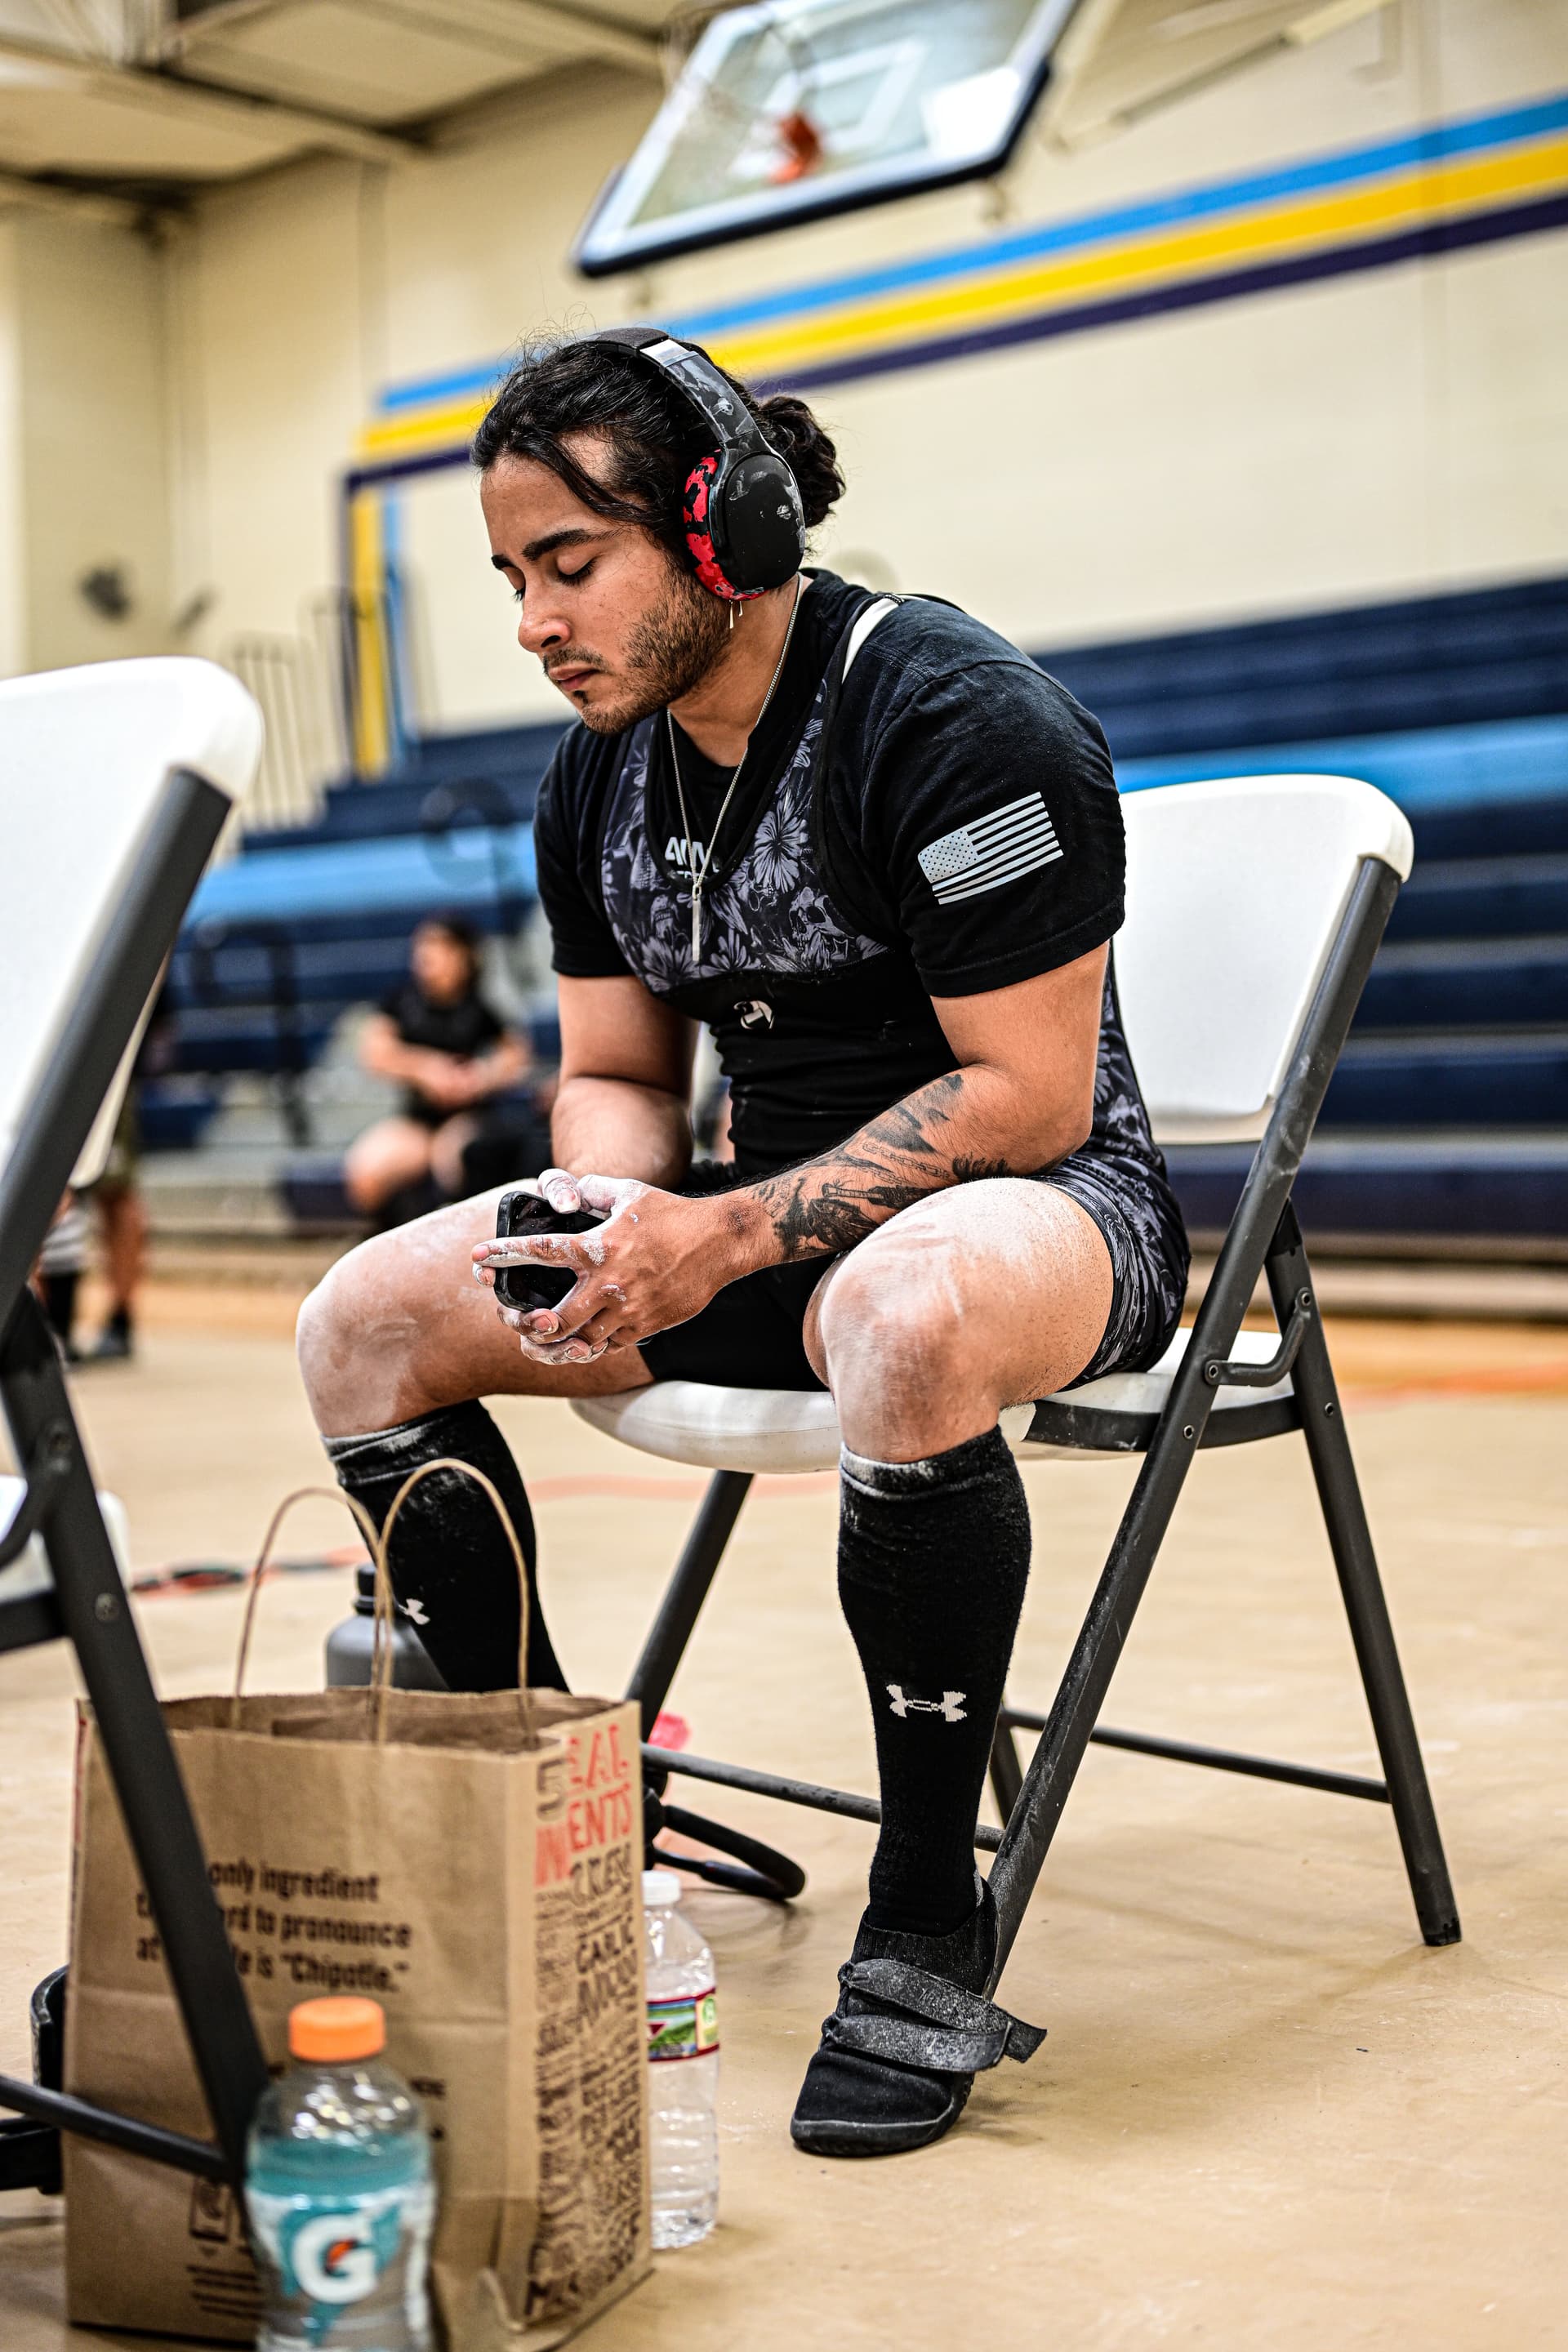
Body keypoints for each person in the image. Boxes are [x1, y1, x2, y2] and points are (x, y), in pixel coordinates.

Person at [297, 332, 1189, 2160]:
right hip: (743, 1229)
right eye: (510, 578)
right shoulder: (594, 773)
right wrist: (607, 1213)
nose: (535, 622)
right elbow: (618, 1068)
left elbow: (1020, 1097)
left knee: (907, 1307)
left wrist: (705, 1233)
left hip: (1043, 1219)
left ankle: (929, 1919)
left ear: (726, 530)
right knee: (365, 1317)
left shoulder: (951, 713)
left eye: (572, 564)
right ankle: (549, 1832)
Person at [344, 915, 532, 1223]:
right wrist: (426, 1069)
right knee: (366, 1170)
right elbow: (375, 1051)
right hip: (419, 1119)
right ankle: (388, 1239)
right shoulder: (402, 1001)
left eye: (438, 948)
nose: (424, 958)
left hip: (468, 1116)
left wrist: (481, 1076)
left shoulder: (479, 1006)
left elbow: (515, 1054)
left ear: (463, 956)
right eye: (422, 949)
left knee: (457, 1161)